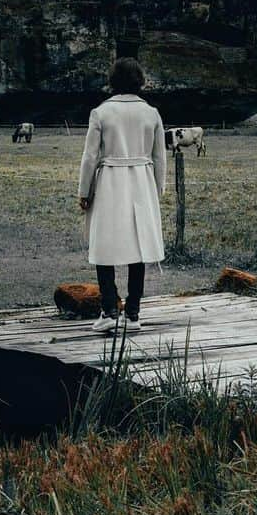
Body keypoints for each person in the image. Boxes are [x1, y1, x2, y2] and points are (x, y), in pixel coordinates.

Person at [77, 58, 167, 333]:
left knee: (104, 245)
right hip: (142, 180)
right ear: (139, 80)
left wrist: (84, 190)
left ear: (112, 80)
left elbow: (90, 156)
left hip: (110, 182)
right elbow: (159, 156)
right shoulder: (151, 113)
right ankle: (134, 313)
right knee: (138, 247)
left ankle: (109, 310)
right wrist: (158, 189)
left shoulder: (101, 113)